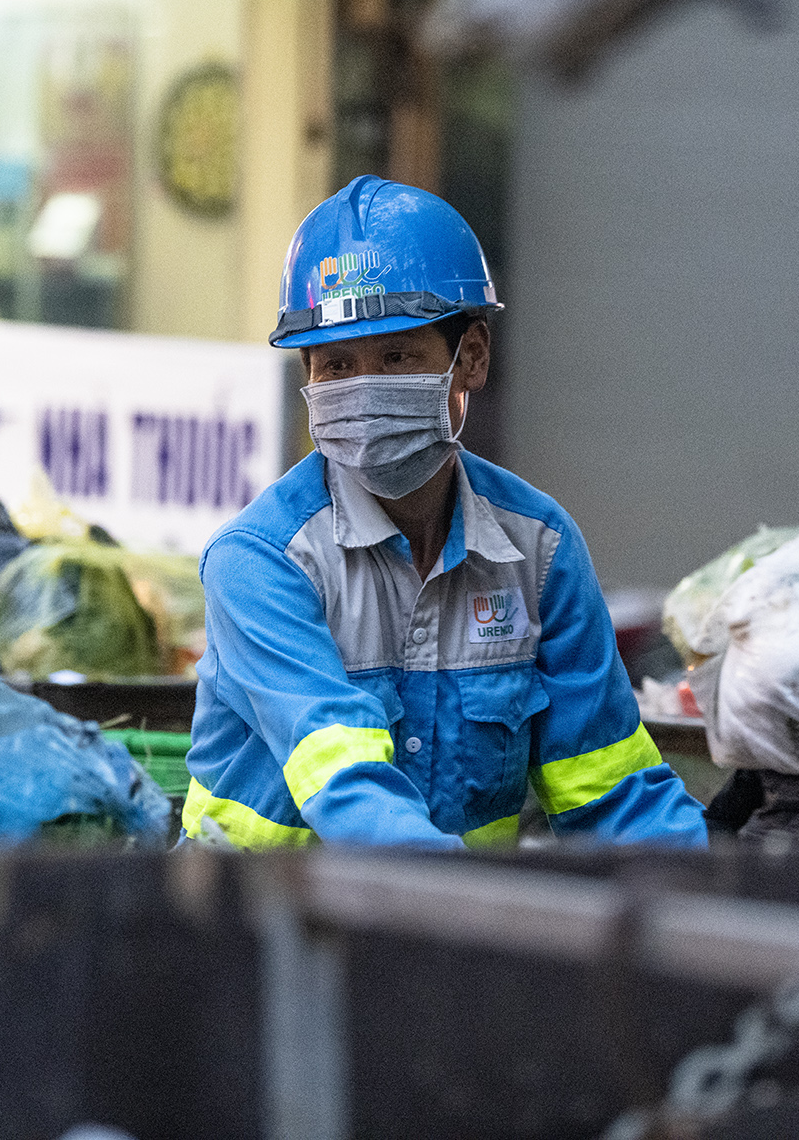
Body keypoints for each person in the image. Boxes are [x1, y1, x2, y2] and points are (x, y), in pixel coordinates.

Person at [183, 176, 708, 849]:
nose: (363, 386)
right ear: (307, 377)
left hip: (454, 932)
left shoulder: (538, 549)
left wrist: (722, 890)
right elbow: (347, 784)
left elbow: (611, 788)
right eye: (336, 365)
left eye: (396, 355)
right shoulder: (260, 560)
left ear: (473, 358)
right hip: (263, 936)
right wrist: (471, 908)